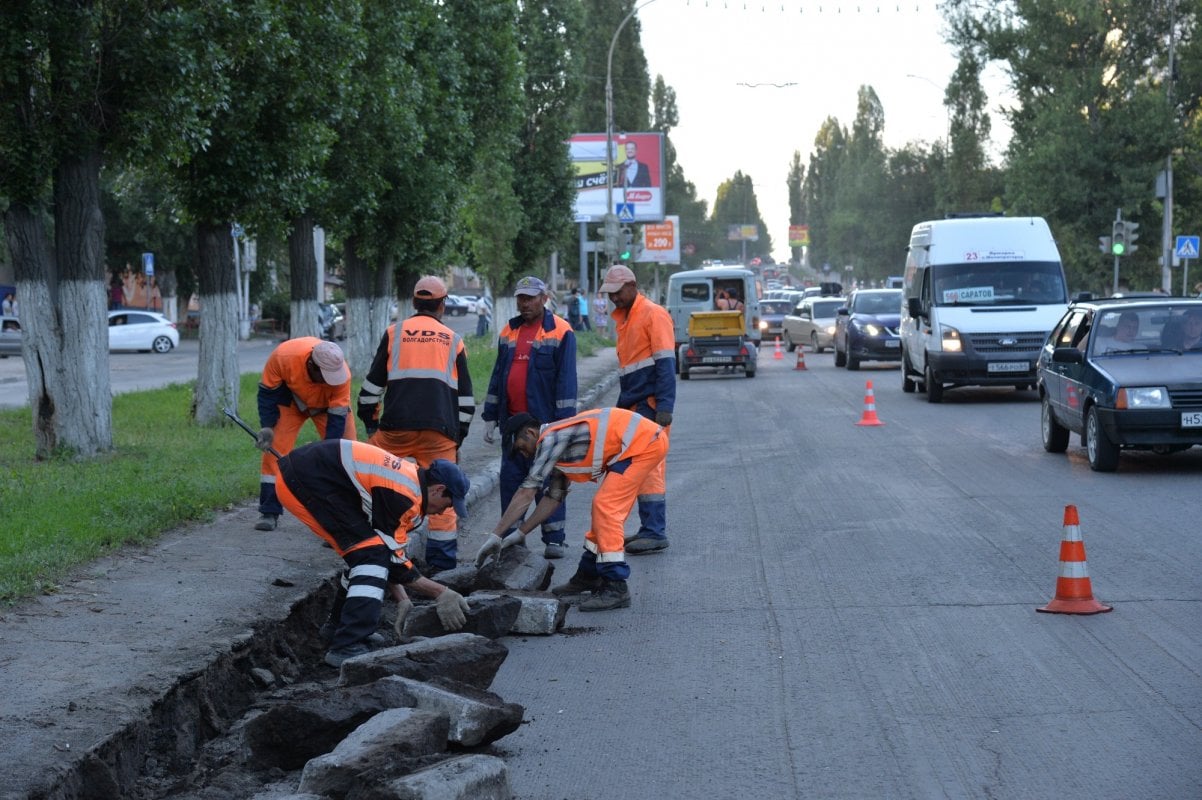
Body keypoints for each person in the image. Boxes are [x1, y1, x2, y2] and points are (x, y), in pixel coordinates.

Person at [274, 438, 472, 667]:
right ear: (438, 490)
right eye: (448, 504)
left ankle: (339, 629)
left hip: (313, 479)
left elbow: (390, 551)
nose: (443, 511)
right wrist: (440, 592)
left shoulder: (409, 486)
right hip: (304, 482)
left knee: (367, 554)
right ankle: (346, 644)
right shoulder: (404, 495)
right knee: (370, 557)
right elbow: (391, 560)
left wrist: (403, 599)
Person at [473, 407, 669, 611]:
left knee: (605, 507)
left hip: (644, 444)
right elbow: (553, 497)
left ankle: (616, 586)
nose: (524, 454)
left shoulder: (550, 439)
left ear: (531, 433)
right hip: (637, 445)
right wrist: (521, 533)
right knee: (602, 512)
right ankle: (588, 575)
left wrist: (496, 536)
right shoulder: (561, 444)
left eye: (521, 447)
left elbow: (527, 492)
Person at [357, 275, 474, 571]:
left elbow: (371, 388)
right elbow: (466, 401)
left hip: (396, 429)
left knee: (374, 483)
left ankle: (363, 544)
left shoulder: (395, 332)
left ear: (413, 302)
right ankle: (443, 567)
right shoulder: (453, 340)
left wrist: (372, 425)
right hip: (439, 433)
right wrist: (456, 439)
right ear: (442, 305)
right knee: (442, 495)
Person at [481, 276, 577, 559]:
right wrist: (489, 416)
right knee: (512, 482)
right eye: (521, 298)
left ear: (544, 298)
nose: (525, 303)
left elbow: (566, 384)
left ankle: (555, 538)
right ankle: (512, 539)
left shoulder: (561, 331)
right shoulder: (508, 332)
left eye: (530, 297)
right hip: (513, 425)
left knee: (549, 482)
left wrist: (564, 425)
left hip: (546, 425)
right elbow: (498, 376)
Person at [600, 264, 675, 554]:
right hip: (634, 405)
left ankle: (655, 531)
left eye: (617, 292)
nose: (614, 299)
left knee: (648, 468)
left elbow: (667, 364)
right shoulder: (627, 318)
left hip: (651, 406)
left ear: (632, 286)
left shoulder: (652, 314)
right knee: (640, 468)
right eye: (610, 294)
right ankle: (649, 529)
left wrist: (665, 407)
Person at [253, 338, 355, 531]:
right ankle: (269, 511)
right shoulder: (284, 356)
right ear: (311, 365)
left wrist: (330, 449)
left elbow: (338, 417)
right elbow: (267, 392)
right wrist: (267, 426)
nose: (329, 381)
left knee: (345, 455)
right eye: (324, 376)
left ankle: (342, 518)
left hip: (328, 408)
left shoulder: (343, 375)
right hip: (292, 402)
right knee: (274, 451)